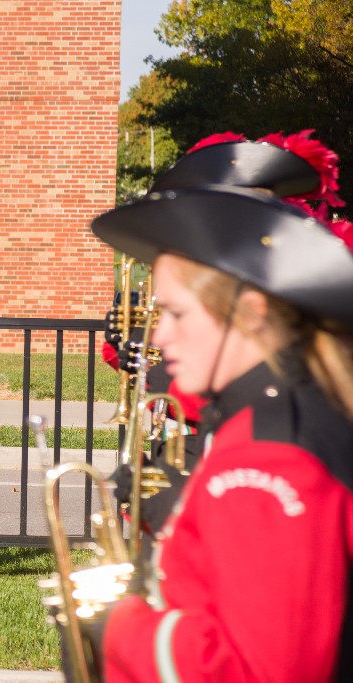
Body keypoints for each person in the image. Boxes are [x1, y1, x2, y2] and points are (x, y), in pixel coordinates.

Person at [78, 184, 353, 681]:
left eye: (178, 314)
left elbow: (260, 672)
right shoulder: (288, 411)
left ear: (252, 312)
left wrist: (116, 624)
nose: (158, 336)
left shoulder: (264, 461)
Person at [104, 129, 343, 533]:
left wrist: (179, 516)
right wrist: (131, 352)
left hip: (219, 431)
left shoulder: (278, 445)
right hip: (195, 430)